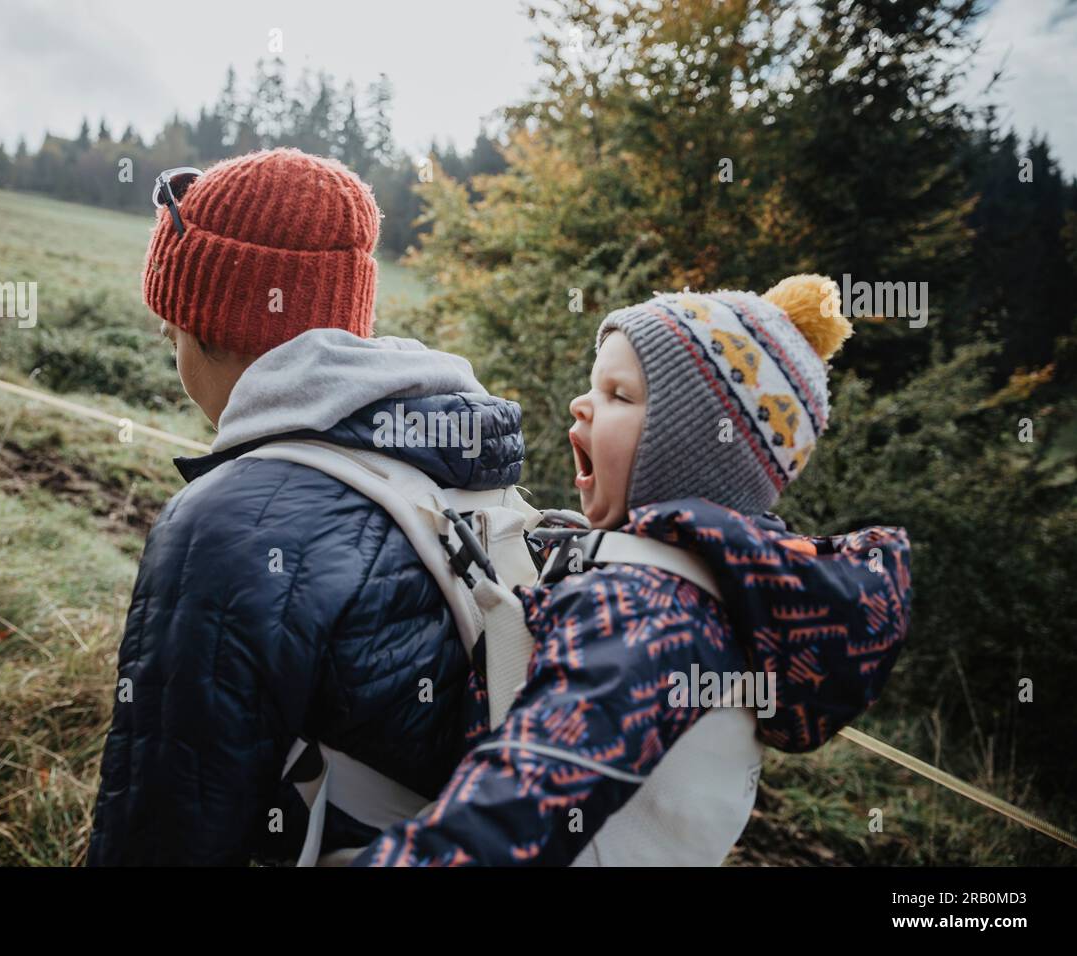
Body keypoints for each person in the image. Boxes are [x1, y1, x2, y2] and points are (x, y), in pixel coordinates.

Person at [352, 275, 914, 866]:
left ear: (691, 456)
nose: (583, 404)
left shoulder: (648, 611)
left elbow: (514, 810)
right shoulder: (722, 582)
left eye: (620, 395)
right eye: (594, 385)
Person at [86, 147, 524, 865]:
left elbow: (167, 824)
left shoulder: (224, 524)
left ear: (208, 327)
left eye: (171, 330)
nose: (171, 349)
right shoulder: (458, 461)